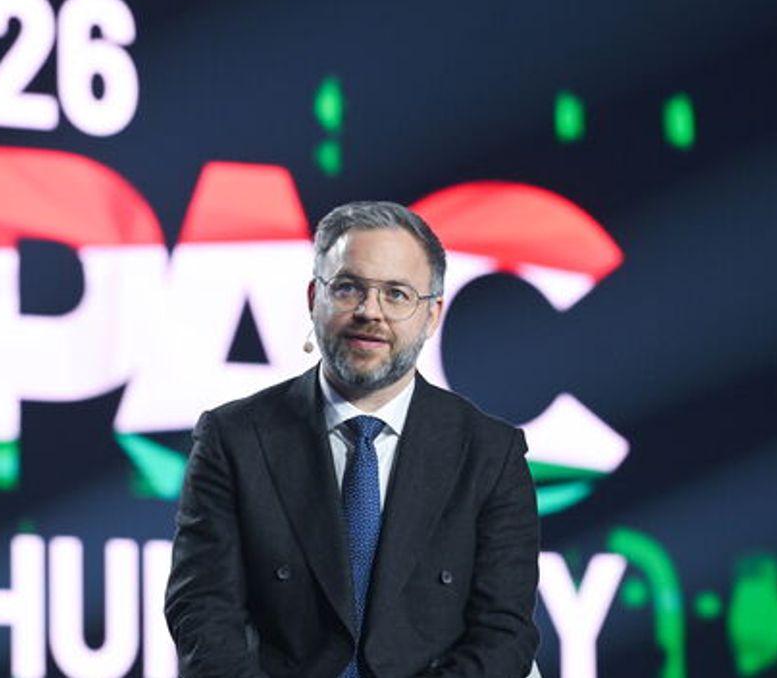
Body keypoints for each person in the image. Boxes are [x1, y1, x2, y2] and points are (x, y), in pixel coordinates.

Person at [164, 201, 540, 678]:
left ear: (432, 316)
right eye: (347, 288)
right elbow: (202, 613)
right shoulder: (233, 439)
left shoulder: (490, 454)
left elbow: (503, 634)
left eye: (397, 294)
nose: (369, 312)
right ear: (313, 298)